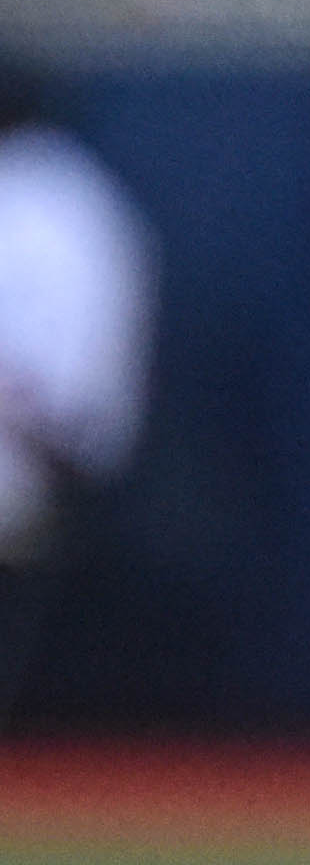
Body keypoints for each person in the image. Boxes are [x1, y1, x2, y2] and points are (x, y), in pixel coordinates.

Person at [0, 53, 152, 720]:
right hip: (63, 468)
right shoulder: (83, 195)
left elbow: (55, 389)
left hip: (37, 473)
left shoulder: (37, 200)